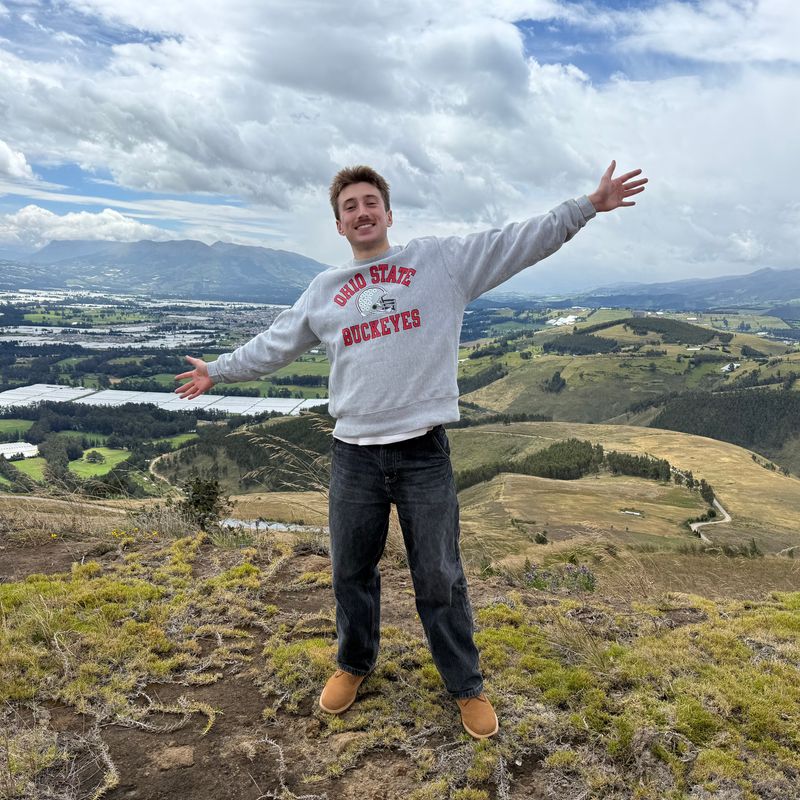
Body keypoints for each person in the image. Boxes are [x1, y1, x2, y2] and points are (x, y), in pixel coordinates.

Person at [175, 161, 647, 739]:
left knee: (439, 576)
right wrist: (218, 371)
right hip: (354, 456)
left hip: (423, 453)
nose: (362, 212)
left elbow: (516, 242)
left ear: (389, 214)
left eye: (370, 201)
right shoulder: (324, 292)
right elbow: (274, 346)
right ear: (340, 226)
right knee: (350, 571)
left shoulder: (438, 264)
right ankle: (353, 663)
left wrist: (587, 206)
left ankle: (466, 685)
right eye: (350, 207)